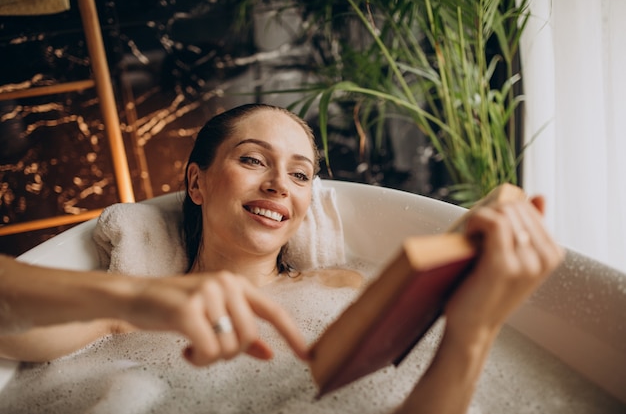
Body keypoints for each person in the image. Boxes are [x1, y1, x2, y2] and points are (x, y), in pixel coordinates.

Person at [0, 103, 564, 413]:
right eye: (253, 160)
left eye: (299, 175)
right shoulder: (132, 308)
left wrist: (469, 315)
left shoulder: (344, 286)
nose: (279, 186)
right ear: (196, 183)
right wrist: (136, 296)